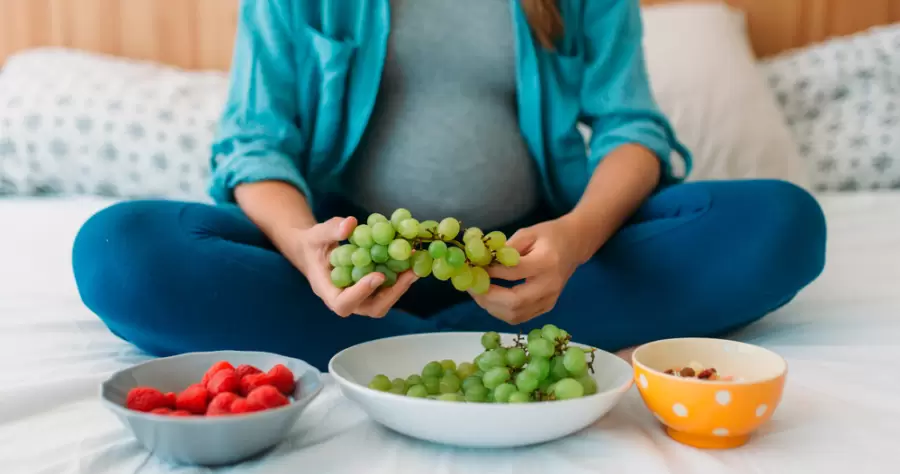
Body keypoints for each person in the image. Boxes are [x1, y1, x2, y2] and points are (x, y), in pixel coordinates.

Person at [72, 0, 827, 371]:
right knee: (120, 251)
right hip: (345, 263)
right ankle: (481, 349)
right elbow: (254, 145)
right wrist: (304, 248)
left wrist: (574, 239)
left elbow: (634, 132)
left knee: (783, 223)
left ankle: (381, 355)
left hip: (540, 258)